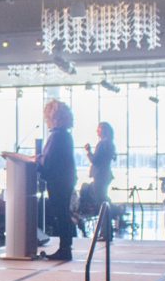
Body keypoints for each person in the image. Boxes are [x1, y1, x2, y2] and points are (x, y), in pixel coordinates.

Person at [38, 99, 77, 261]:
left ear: (54, 117)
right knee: (63, 214)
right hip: (66, 180)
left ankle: (64, 249)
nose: (46, 121)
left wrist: (37, 160)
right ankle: (65, 247)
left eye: (47, 117)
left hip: (58, 181)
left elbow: (48, 161)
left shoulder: (57, 136)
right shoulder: (66, 136)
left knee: (61, 214)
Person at [84, 121, 117, 208]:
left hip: (100, 175)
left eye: (99, 128)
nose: (97, 131)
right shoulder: (110, 143)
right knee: (102, 196)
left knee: (101, 199)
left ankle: (114, 212)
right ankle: (114, 212)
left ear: (104, 130)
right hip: (105, 174)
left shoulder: (102, 144)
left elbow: (95, 160)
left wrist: (88, 151)